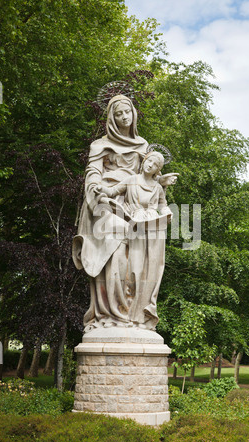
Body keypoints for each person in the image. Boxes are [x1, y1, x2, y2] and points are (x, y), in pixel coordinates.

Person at [72, 95, 177, 331]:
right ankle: (111, 314)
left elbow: (147, 174)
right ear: (111, 117)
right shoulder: (99, 145)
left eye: (126, 112)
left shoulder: (141, 144)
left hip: (135, 203)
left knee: (137, 258)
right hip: (107, 201)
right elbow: (93, 172)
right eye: (118, 114)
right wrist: (95, 188)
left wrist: (162, 181)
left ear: (133, 113)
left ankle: (134, 314)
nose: (123, 117)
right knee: (117, 252)